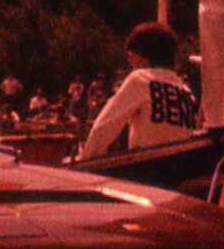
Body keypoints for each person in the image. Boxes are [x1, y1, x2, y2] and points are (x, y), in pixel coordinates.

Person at [77, 22, 202, 159]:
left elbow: (104, 127)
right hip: (182, 167)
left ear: (145, 55)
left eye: (131, 53)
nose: (129, 59)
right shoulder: (187, 93)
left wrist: (83, 162)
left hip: (146, 165)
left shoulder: (141, 79)